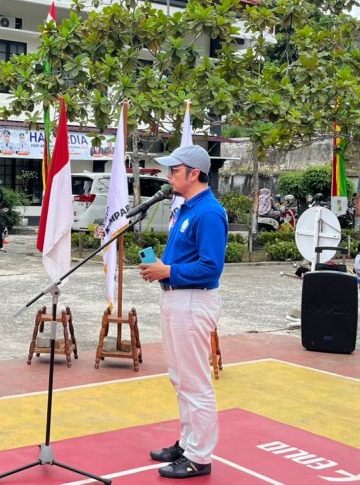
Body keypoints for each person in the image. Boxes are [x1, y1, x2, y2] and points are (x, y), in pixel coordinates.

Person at [139, 145, 225, 479]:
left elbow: (211, 267)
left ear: (194, 173)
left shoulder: (209, 212)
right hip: (177, 299)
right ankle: (189, 442)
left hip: (193, 300)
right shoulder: (187, 208)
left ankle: (200, 457)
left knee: (195, 381)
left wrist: (168, 272)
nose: (168, 176)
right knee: (180, 378)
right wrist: (160, 268)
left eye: (174, 170)